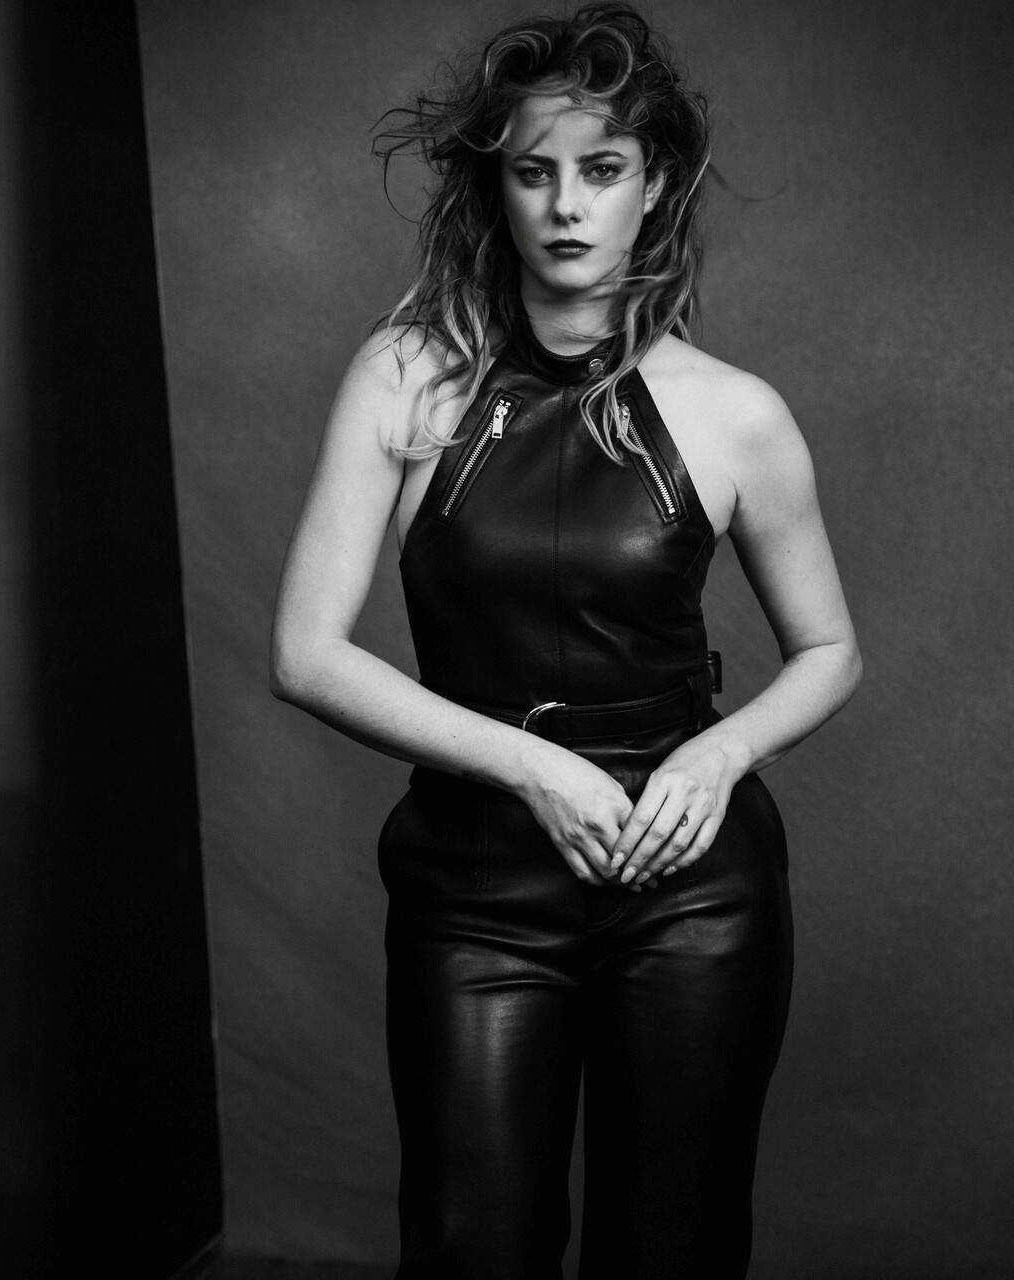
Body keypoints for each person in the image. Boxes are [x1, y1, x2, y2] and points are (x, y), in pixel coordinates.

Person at [269, 4, 861, 1276]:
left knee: (672, 1248)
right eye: (535, 172)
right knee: (472, 1244)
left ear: (654, 187)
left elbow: (829, 650)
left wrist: (720, 755)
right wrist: (533, 766)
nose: (567, 205)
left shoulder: (736, 414)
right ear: (500, 188)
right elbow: (307, 653)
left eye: (602, 169)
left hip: (688, 886)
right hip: (477, 887)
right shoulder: (408, 378)